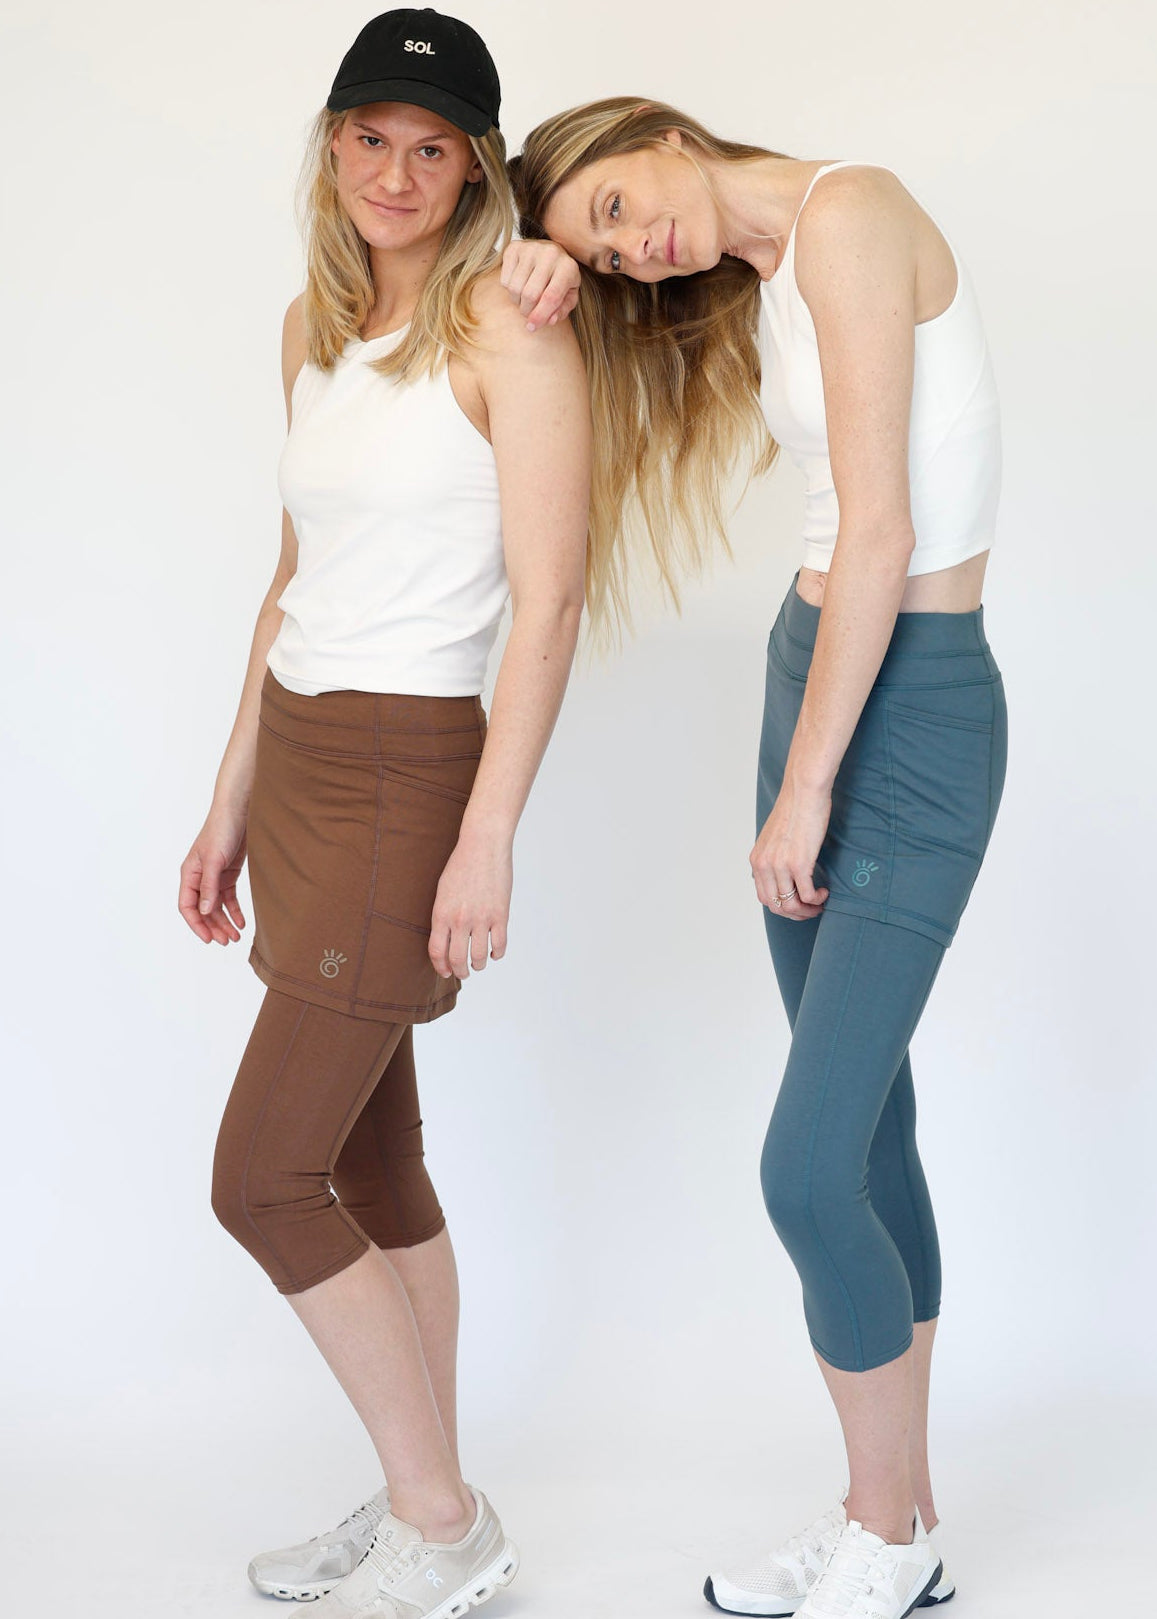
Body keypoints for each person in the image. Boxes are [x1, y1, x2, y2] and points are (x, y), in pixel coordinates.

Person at [502, 98, 1006, 1619]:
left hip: (908, 707)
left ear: (653, 129)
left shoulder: (848, 213)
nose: (635, 250)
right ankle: (894, 1520)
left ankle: (882, 1534)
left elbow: (882, 531)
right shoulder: (772, 262)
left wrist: (805, 791)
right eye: (603, 254)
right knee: (866, 1136)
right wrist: (531, 266)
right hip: (819, 669)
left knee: (805, 1169)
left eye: (612, 206)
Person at [177, 13, 589, 1617]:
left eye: (433, 148)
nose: (395, 174)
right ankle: (434, 1493)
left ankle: (443, 1522)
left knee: (261, 1180)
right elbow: (294, 576)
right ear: (331, 144)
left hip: (407, 768)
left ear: (476, 171)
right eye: (370, 137)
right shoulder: (313, 323)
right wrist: (226, 797)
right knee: (370, 1159)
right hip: (296, 754)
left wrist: (488, 831)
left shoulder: (512, 328)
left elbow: (550, 602)